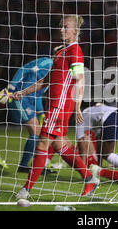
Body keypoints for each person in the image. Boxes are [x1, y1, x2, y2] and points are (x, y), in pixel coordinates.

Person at [14, 15, 99, 198]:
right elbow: (46, 80)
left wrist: (77, 106)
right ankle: (90, 178)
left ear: (75, 31)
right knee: (60, 145)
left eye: (66, 27)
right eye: (61, 26)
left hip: (60, 107)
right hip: (54, 105)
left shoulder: (75, 51)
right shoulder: (60, 51)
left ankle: (26, 190)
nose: (61, 30)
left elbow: (80, 80)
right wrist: (23, 92)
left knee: (43, 142)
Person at [0, 57, 54, 173]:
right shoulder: (48, 62)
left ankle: (35, 166)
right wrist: (11, 88)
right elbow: (23, 69)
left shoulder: (56, 73)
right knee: (36, 132)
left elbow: (38, 95)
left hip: (29, 100)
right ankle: (26, 166)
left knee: (39, 133)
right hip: (20, 96)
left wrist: (41, 113)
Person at [76, 103, 118, 167]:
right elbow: (99, 140)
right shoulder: (91, 113)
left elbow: (81, 141)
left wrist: (83, 165)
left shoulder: (80, 118)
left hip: (112, 117)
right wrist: (99, 164)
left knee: (106, 154)